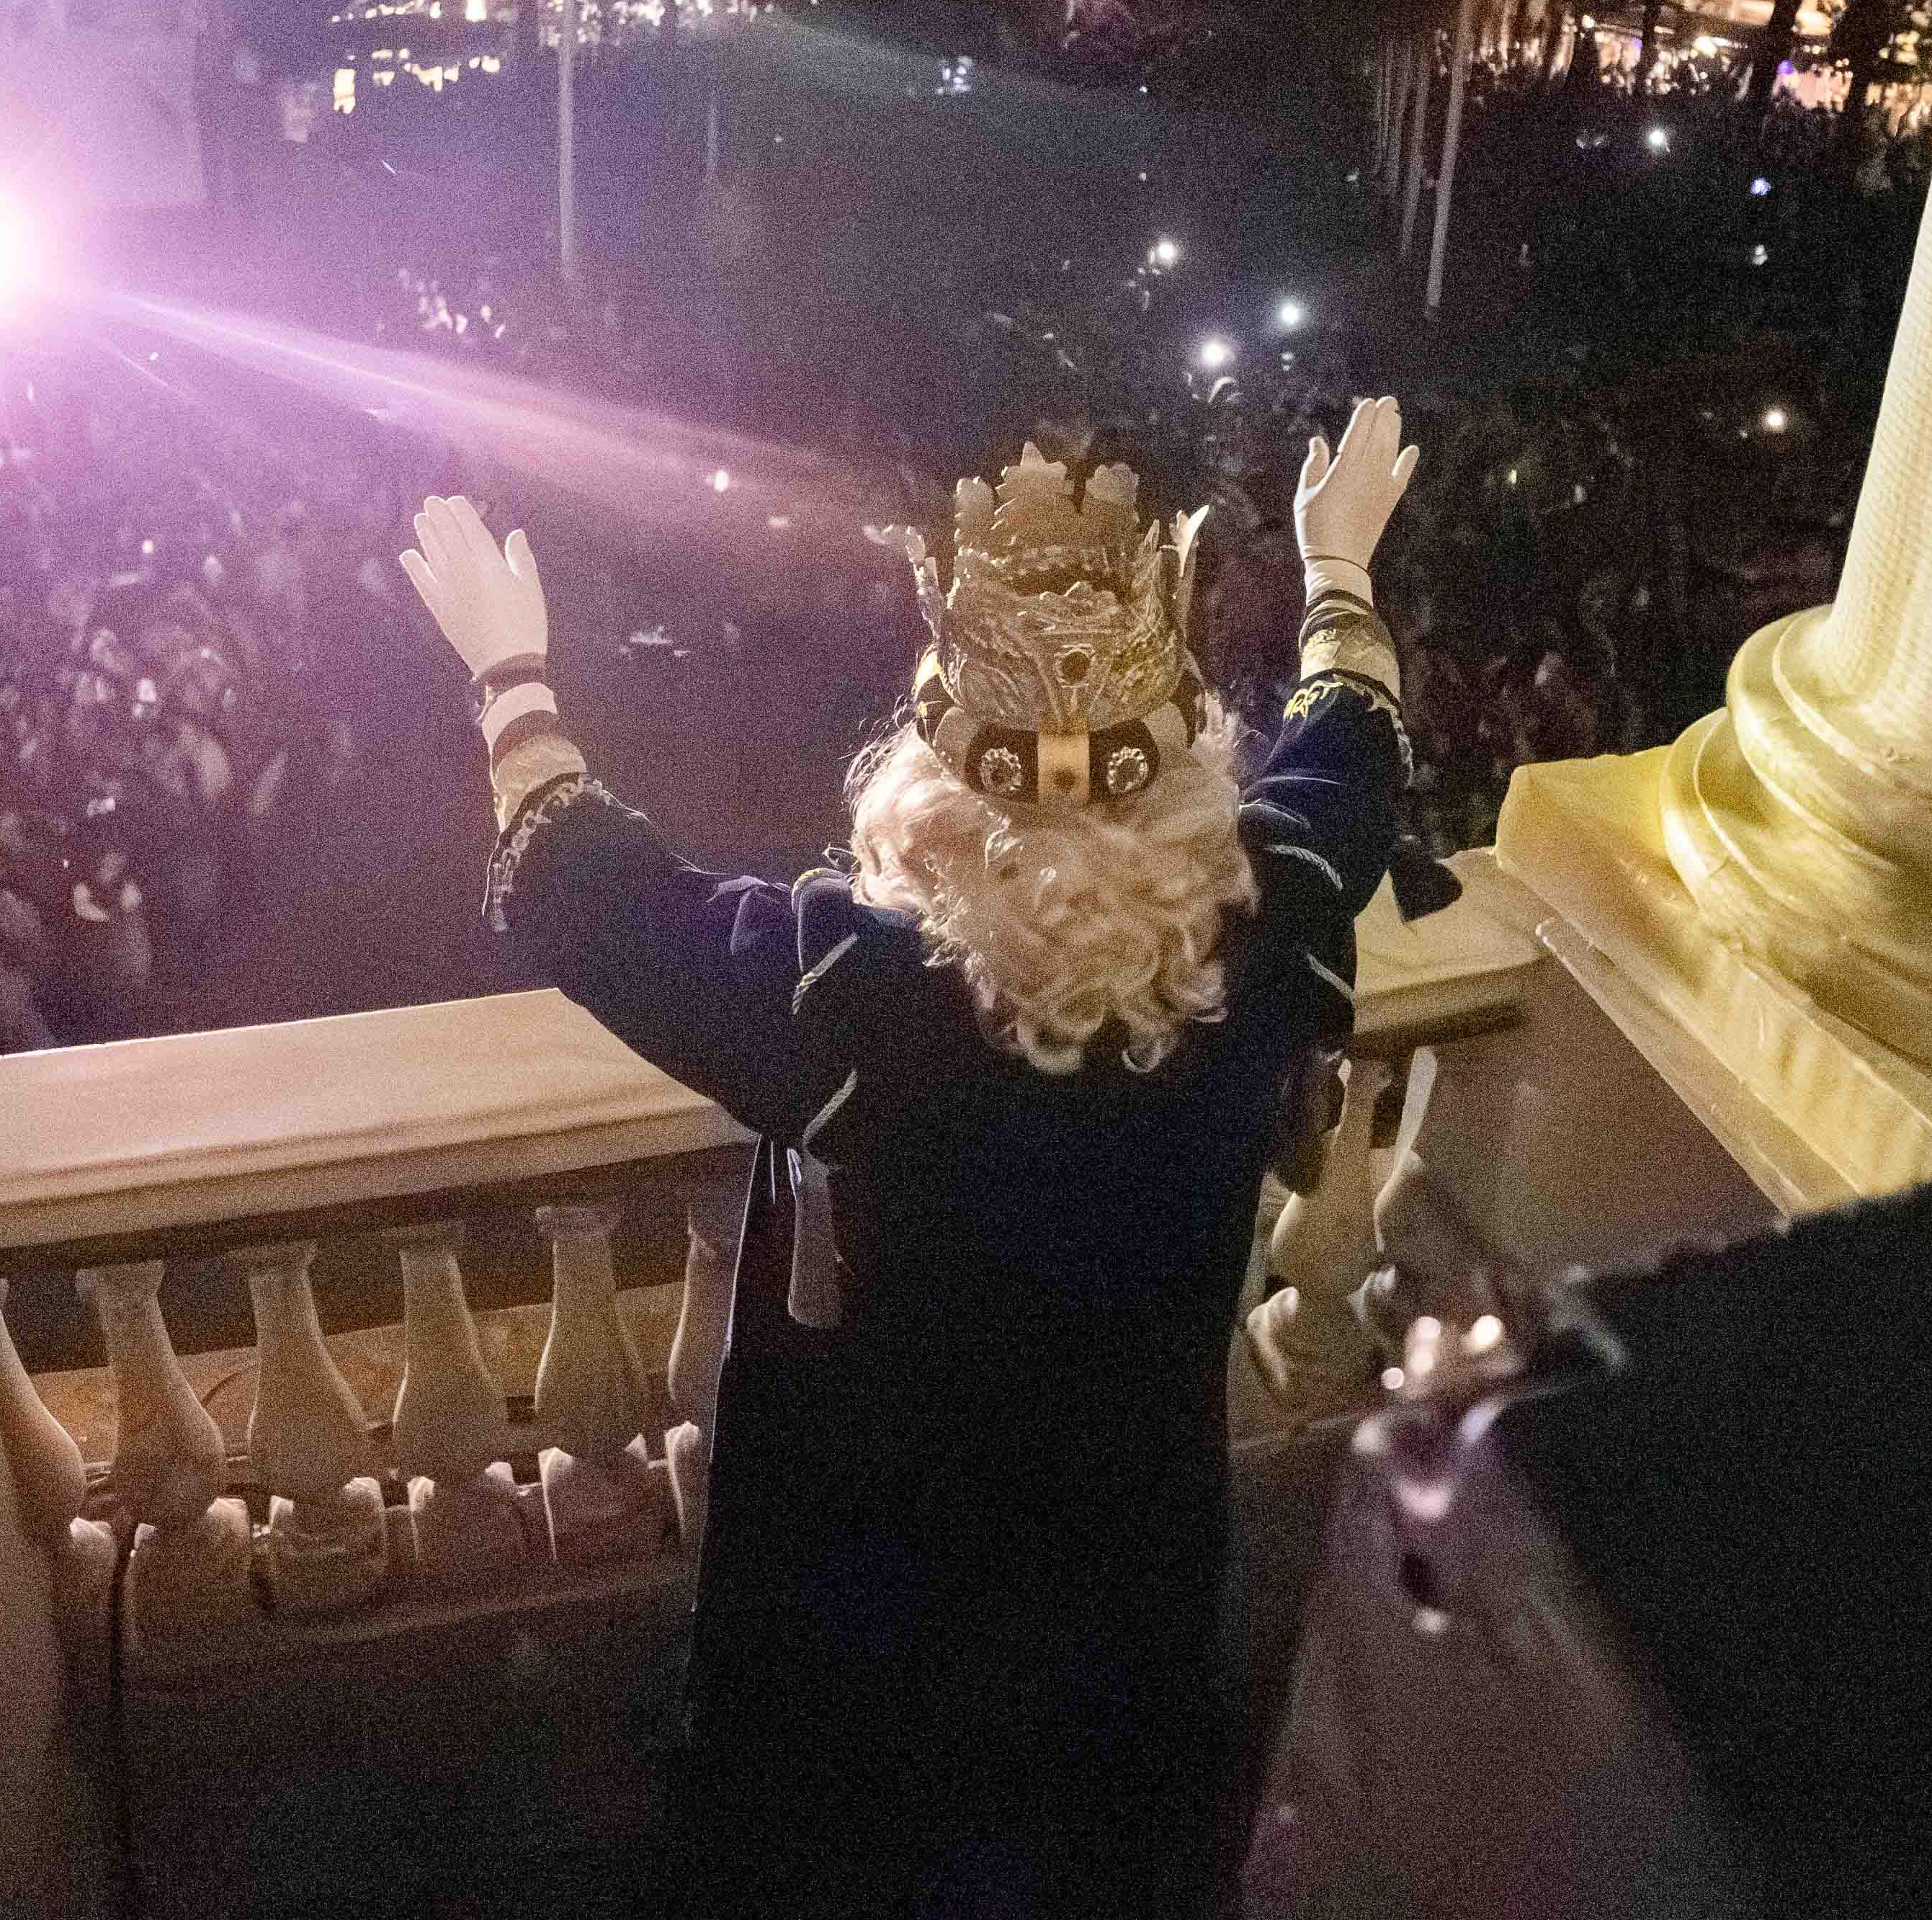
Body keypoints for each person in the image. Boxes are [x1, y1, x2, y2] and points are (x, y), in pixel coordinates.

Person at [397, 398, 1421, 1916]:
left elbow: (577, 879)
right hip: (1134, 1562)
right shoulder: (1256, 928)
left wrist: (510, 673)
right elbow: (1352, 753)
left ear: (938, 777)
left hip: (871, 1603)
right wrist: (1342, 577)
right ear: (1179, 755)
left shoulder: (843, 998)